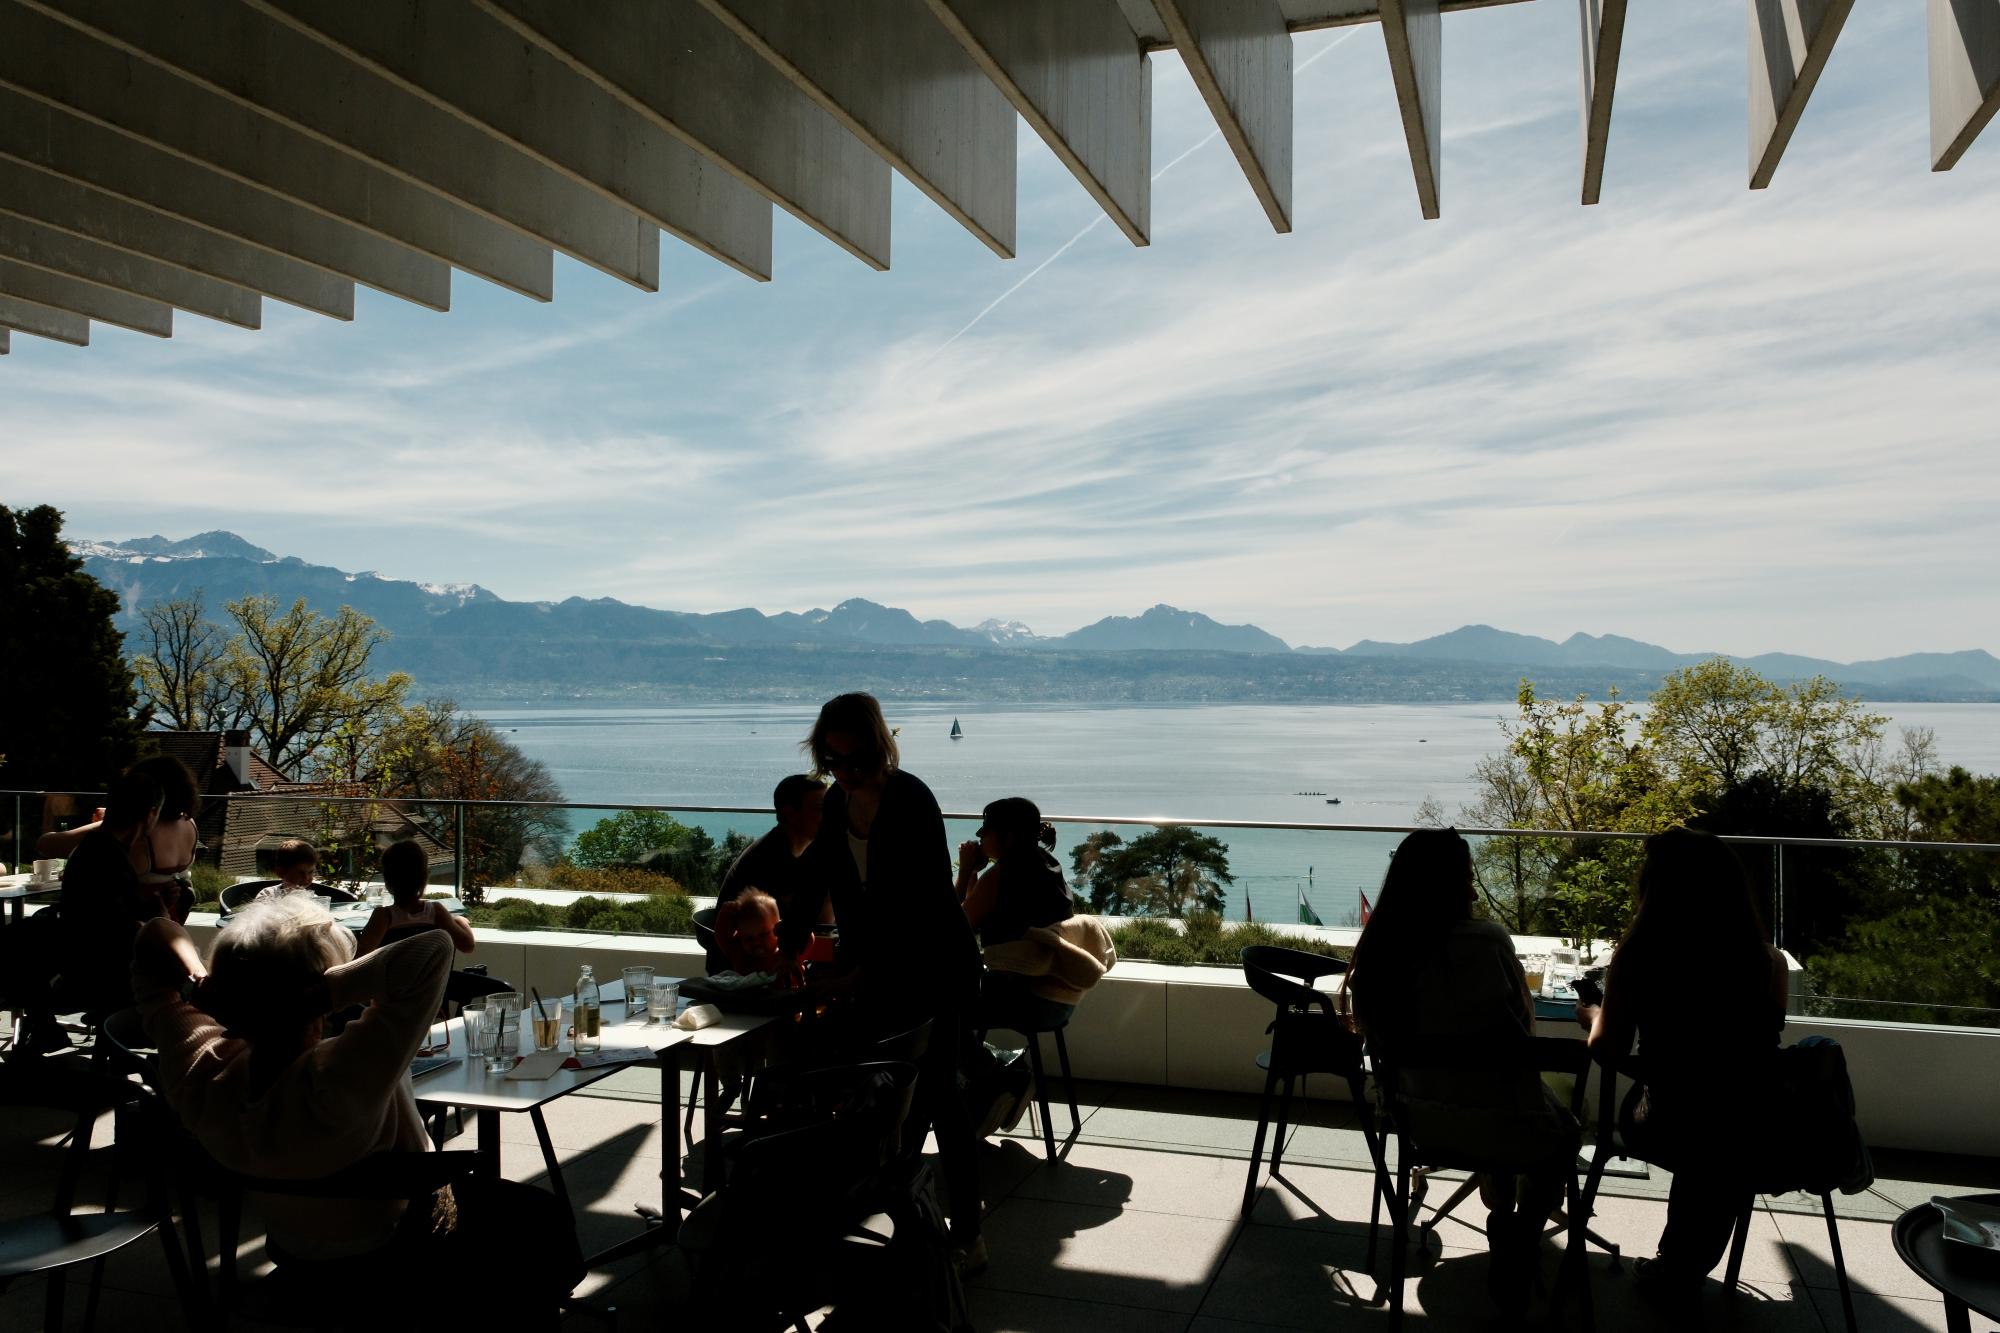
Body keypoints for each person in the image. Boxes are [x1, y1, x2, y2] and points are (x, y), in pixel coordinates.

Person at [130, 898, 580, 1318]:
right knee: (541, 1222)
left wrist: (201, 985)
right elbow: (432, 951)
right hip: (395, 1250)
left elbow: (154, 934)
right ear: (320, 995)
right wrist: (312, 997)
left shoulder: (199, 1071)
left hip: (294, 1249)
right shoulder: (342, 1076)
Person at [1346, 828, 1578, 1317]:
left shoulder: (1379, 950)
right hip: (1508, 1121)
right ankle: (1520, 1232)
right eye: (1468, 880)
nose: (1475, 892)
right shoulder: (1486, 944)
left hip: (1419, 1123)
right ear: (1450, 887)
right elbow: (1523, 1038)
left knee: (1489, 1099)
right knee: (1562, 1134)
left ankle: (1501, 1204)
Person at [802, 692, 986, 1270]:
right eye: (834, 761)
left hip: (934, 967)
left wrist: (862, 972)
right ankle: (902, 1213)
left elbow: (922, 906)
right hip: (876, 970)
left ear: (881, 748)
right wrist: (787, 947)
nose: (847, 772)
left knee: (940, 1099)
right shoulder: (837, 802)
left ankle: (968, 1236)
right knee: (883, 1099)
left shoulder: (911, 800)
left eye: (857, 760)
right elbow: (819, 878)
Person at [1577, 827, 1789, 1306]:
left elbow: (1608, 1050)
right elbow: (1756, 1046)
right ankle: (1682, 1265)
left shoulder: (1638, 956)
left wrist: (1592, 1014)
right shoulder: (1765, 962)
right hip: (1757, 1124)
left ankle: (1677, 1266)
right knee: (1721, 1129)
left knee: (1694, 1121)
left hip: (1671, 1121)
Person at [957, 796, 1076, 1031]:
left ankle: (980, 1063)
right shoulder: (1047, 863)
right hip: (1057, 998)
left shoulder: (1003, 874)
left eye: (986, 832)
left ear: (1008, 837)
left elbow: (954, 925)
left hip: (1024, 1001)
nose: (980, 837)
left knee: (935, 1002)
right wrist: (973, 875)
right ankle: (981, 1060)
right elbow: (979, 909)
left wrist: (964, 873)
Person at [55, 770, 168, 1012]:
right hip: (109, 978)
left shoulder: (93, 850)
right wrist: (160, 919)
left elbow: (105, 914)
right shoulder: (109, 857)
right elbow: (117, 930)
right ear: (150, 814)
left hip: (82, 969)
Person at [39, 754, 200, 922]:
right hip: (170, 920)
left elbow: (46, 844)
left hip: (130, 928)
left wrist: (110, 819)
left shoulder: (139, 831)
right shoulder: (189, 824)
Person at [718, 774, 832, 959]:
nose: (828, 816)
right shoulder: (773, 858)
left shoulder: (782, 847)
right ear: (790, 814)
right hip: (748, 967)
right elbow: (815, 922)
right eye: (820, 809)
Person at [356, 840, 473, 958]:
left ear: (387, 880)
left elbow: (360, 956)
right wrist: (461, 921)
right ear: (424, 878)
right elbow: (468, 946)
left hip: (390, 976)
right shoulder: (436, 911)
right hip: (430, 977)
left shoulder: (383, 917)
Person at [713, 887, 786, 977]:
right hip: (745, 991)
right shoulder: (739, 952)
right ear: (740, 935)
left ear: (778, 929)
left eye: (763, 935)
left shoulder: (786, 952)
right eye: (748, 938)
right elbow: (722, 936)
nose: (756, 942)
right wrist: (726, 913)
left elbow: (807, 942)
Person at [255, 838, 322, 901]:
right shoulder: (267, 895)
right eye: (300, 873)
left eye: (311, 872)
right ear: (280, 872)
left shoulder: (313, 899)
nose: (306, 878)